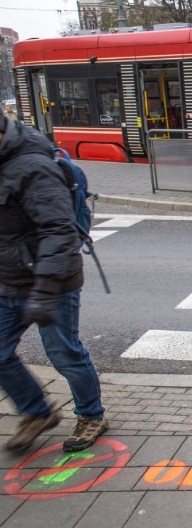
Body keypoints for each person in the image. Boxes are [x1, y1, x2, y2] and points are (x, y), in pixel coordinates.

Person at [0, 115, 108, 452]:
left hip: (52, 280)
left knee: (64, 353)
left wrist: (44, 291)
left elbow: (58, 231)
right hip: (7, 279)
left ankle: (92, 415)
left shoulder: (32, 166)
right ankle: (36, 412)